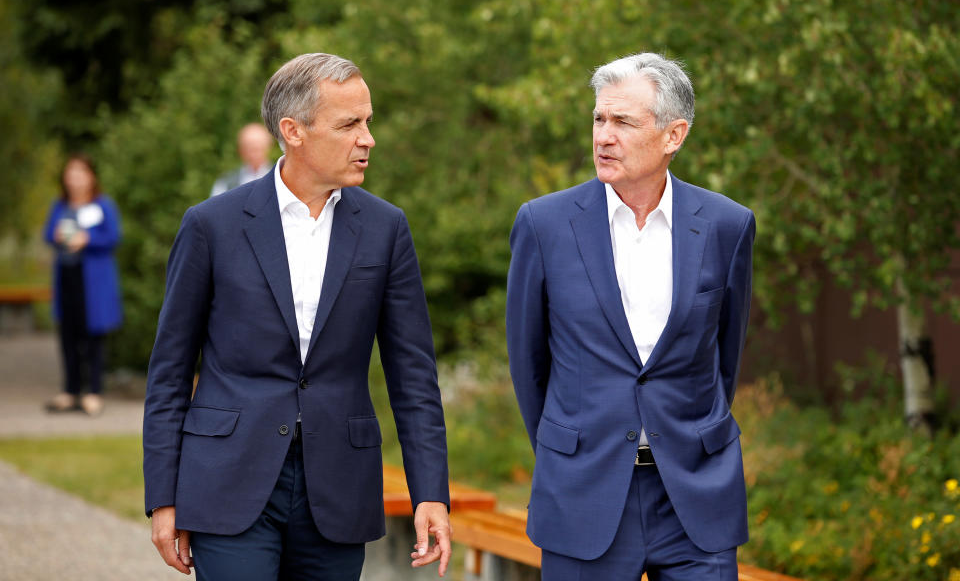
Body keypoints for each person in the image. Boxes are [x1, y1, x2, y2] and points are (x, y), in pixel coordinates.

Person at [143, 53, 452, 580]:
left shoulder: (386, 229)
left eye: (368, 121)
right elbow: (170, 373)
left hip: (337, 490)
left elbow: (414, 377)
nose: (368, 138)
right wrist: (164, 497)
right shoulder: (211, 226)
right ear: (294, 132)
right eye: (350, 124)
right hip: (227, 483)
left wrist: (431, 493)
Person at [506, 53, 755, 580]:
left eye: (623, 122)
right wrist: (571, 444)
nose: (603, 136)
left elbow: (724, 357)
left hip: (694, 496)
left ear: (673, 134)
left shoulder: (727, 226)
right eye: (599, 119)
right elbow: (529, 365)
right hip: (584, 493)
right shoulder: (544, 224)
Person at [42, 154, 123, 416]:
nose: (74, 179)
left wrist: (87, 239)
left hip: (93, 281)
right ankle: (70, 390)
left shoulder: (102, 205)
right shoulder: (61, 205)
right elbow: (48, 234)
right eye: (71, 174)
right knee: (68, 335)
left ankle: (93, 391)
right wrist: (56, 236)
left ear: (91, 177)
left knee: (93, 338)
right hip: (67, 277)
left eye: (80, 173)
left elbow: (113, 236)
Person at [209, 123, 274, 197]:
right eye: (250, 148)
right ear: (241, 150)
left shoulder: (281, 179)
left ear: (269, 148)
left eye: (258, 148)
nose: (254, 154)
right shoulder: (225, 183)